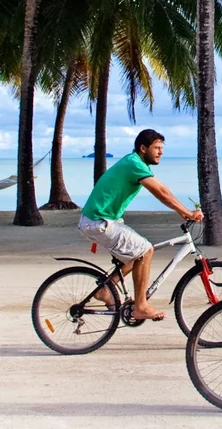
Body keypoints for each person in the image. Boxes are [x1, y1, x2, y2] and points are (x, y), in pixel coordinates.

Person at [78, 129, 203, 321]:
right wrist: (187, 213)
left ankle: (105, 290)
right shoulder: (134, 163)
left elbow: (164, 189)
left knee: (136, 254)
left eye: (162, 148)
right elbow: (160, 191)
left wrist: (182, 211)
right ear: (143, 148)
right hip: (99, 222)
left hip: (99, 220)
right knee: (145, 250)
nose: (160, 152)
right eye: (156, 148)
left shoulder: (136, 163)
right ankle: (141, 306)